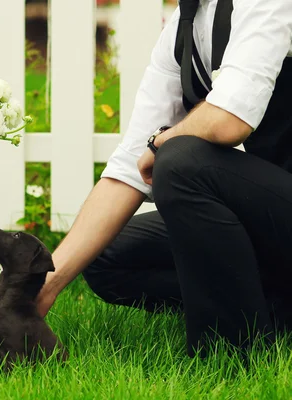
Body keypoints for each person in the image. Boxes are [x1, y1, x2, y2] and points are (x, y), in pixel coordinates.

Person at [38, 0, 292, 357]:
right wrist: (46, 283)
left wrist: (161, 142)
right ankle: (274, 314)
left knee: (181, 160)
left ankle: (229, 350)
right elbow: (129, 167)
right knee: (103, 253)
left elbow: (228, 120)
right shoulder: (184, 24)